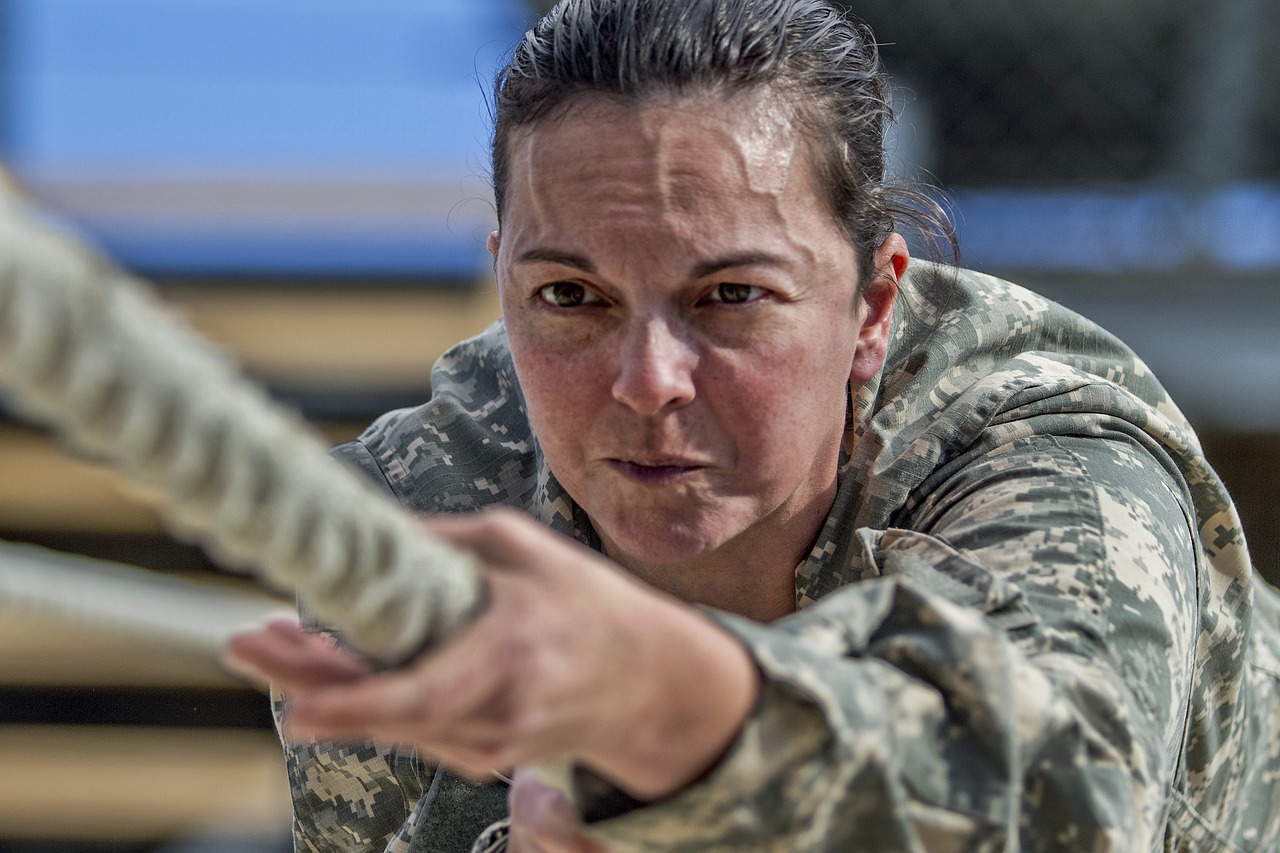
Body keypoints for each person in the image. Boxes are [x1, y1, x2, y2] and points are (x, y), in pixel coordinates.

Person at [227, 0, 1280, 850]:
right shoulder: (417, 528)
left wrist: (671, 722)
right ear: (501, 276)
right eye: (567, 297)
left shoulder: (1041, 457)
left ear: (869, 308)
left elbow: (1060, 807)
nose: (646, 383)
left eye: (729, 296)